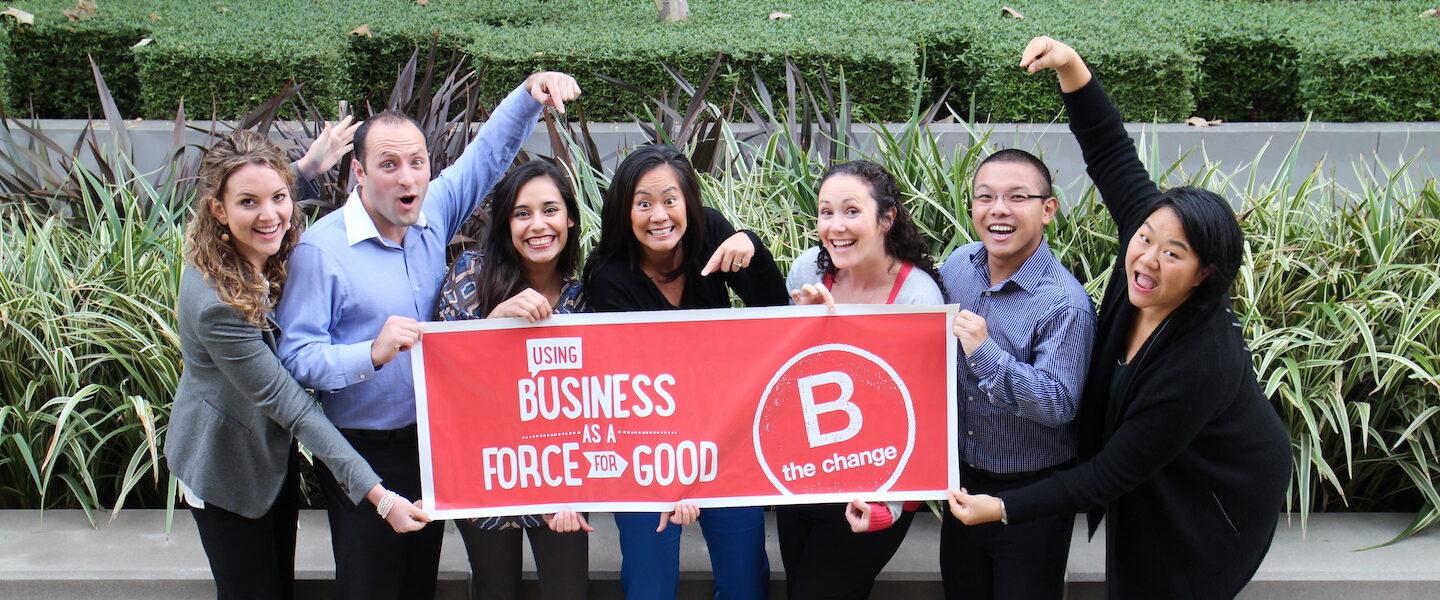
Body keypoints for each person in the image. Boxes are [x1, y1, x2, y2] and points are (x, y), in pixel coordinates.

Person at [947, 37, 1292, 599]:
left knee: (1166, 582)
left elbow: (1108, 474)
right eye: (1146, 239)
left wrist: (1005, 507)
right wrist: (1071, 65)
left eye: (1174, 254)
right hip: (1154, 468)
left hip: (1218, 490)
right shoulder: (1150, 229)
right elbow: (1109, 150)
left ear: (1205, 272)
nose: (1148, 258)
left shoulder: (1198, 361)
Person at [274, 72, 581, 599]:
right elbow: (296, 358)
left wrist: (529, 93)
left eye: (417, 163)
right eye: (388, 165)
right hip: (364, 450)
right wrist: (369, 353)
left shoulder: (431, 213)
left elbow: (485, 159)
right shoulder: (321, 252)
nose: (406, 177)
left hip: (435, 444)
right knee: (370, 585)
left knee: (420, 582)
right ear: (359, 173)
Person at [167, 130, 430, 600]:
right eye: (249, 202)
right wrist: (380, 496)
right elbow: (291, 405)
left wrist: (306, 169)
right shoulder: (214, 305)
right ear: (217, 211)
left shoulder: (261, 245)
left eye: (280, 197)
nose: (270, 215)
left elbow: (272, 205)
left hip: (269, 460)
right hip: (224, 467)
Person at [582, 144, 787, 599]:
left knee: (746, 579)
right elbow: (633, 383)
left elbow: (775, 313)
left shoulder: (710, 231)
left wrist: (750, 244)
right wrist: (676, 474)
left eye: (670, 200)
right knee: (649, 582)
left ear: (688, 203)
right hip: (647, 447)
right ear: (624, 211)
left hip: (725, 435)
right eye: (644, 203)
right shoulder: (609, 274)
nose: (659, 215)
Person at [936, 147, 1097, 599]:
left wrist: (984, 352)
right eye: (985, 197)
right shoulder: (959, 265)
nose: (998, 210)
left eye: (1017, 197)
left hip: (1032, 497)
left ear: (1048, 210)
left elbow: (1058, 403)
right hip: (964, 483)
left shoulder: (1064, 303)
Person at [782, 160, 945, 599]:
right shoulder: (807, 273)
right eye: (825, 212)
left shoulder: (917, 296)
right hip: (806, 475)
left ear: (886, 218)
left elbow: (921, 414)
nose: (835, 226)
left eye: (851, 211)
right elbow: (785, 378)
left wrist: (886, 508)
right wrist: (803, 324)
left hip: (875, 486)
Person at [436, 160, 591, 600]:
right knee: (495, 589)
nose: (537, 225)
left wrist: (575, 489)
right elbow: (444, 377)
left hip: (559, 476)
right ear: (506, 224)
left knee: (569, 591)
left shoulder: (581, 297)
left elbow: (594, 404)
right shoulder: (471, 273)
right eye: (522, 213)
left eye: (550, 210)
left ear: (570, 218)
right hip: (486, 470)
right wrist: (492, 324)